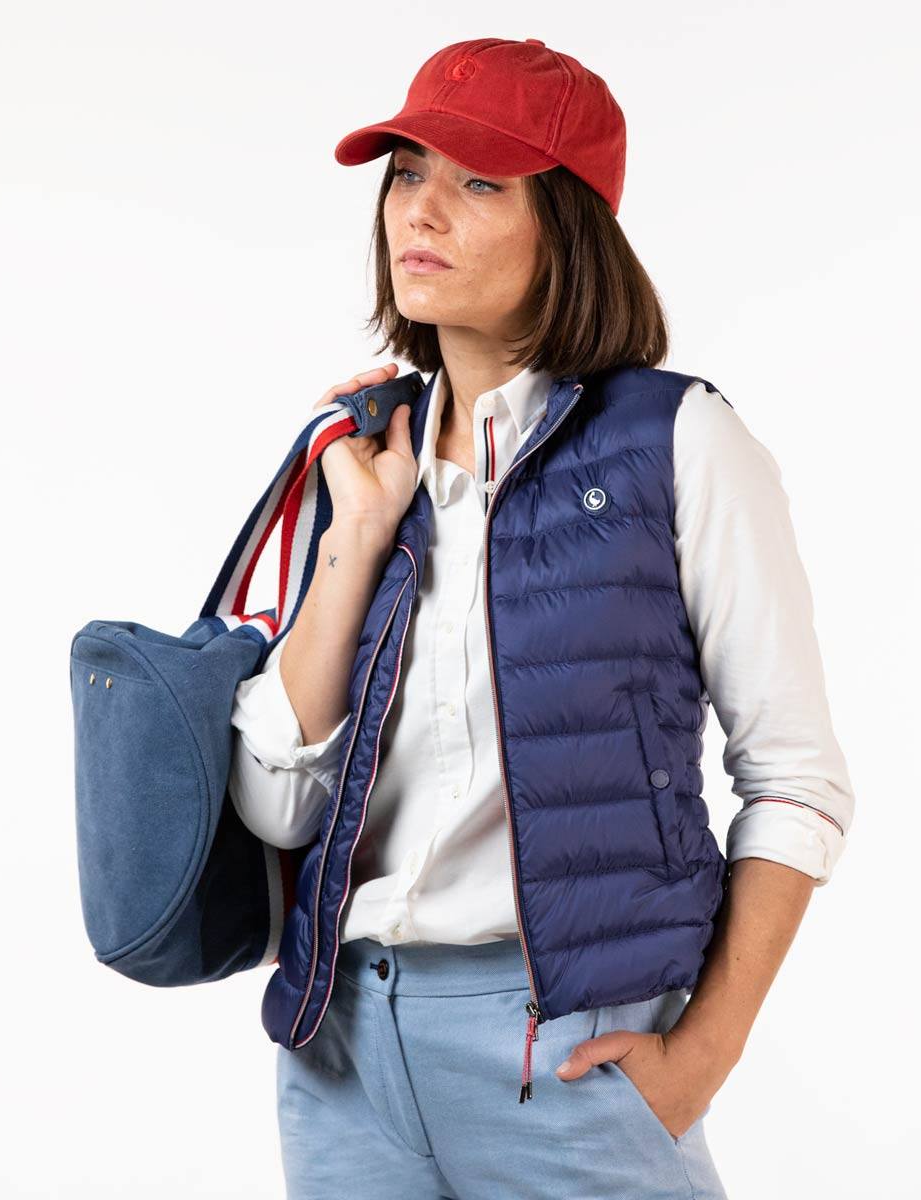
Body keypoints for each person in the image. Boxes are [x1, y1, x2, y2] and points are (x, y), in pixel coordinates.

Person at [227, 37, 855, 1200]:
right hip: (341, 1055)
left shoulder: (679, 444)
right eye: (407, 174)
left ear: (565, 225)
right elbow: (278, 806)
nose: (422, 212)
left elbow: (796, 779)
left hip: (561, 1053)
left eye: (479, 182)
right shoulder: (359, 460)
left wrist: (700, 1057)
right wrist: (355, 532)